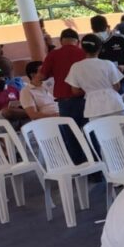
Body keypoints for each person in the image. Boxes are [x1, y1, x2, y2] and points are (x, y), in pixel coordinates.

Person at [41, 28, 89, 162]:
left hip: (65, 103)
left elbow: (42, 76)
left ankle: (79, 169)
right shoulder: (84, 53)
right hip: (86, 99)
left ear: (61, 41)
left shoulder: (53, 55)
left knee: (71, 137)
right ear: (78, 42)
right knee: (89, 133)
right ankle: (96, 172)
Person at [66, 34, 124, 120]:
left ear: (82, 48)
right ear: (100, 48)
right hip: (116, 105)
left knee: (102, 133)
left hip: (94, 108)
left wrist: (91, 90)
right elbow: (117, 87)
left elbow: (75, 91)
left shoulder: (76, 67)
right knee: (123, 133)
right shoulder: (108, 64)